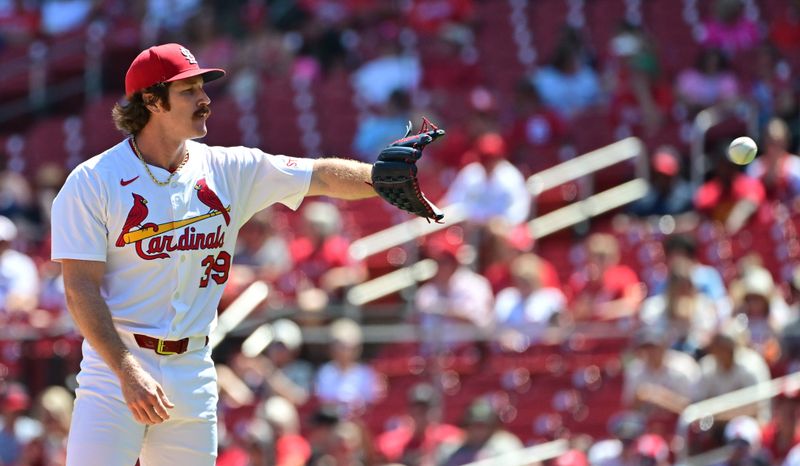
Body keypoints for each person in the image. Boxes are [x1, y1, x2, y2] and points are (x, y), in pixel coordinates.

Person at [50, 43, 384, 466]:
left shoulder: (230, 168)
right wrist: (127, 370)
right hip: (116, 367)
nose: (205, 99)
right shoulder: (93, 181)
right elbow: (80, 289)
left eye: (201, 88)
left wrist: (379, 179)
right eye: (188, 90)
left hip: (193, 368)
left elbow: (318, 174)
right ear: (152, 100)